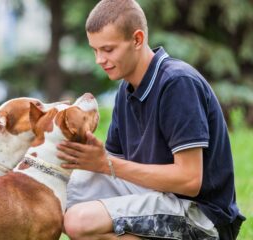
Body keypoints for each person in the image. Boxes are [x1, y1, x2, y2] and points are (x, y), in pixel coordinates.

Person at [56, 0, 245, 239]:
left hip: (202, 216)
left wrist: (105, 164)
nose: (99, 60)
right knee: (57, 194)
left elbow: (190, 180)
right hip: (154, 195)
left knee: (78, 220)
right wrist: (88, 157)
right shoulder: (126, 91)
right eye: (95, 50)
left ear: (137, 39)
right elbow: (116, 167)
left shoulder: (177, 83)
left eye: (108, 49)